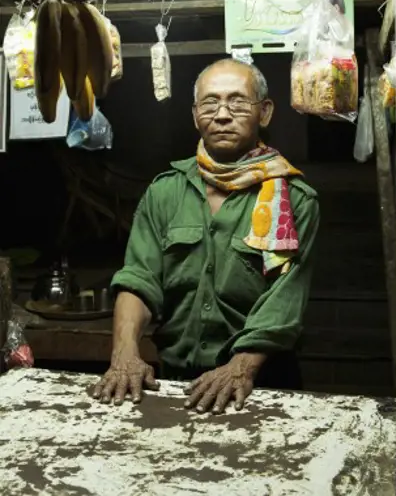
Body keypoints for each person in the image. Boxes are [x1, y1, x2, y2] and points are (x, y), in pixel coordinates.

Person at [92, 58, 320, 414]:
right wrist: (124, 355)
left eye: (238, 101)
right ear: (195, 114)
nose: (223, 114)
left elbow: (284, 302)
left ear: (265, 112)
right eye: (210, 102)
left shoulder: (292, 200)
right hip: (176, 384)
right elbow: (139, 279)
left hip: (261, 386)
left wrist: (240, 368)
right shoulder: (165, 192)